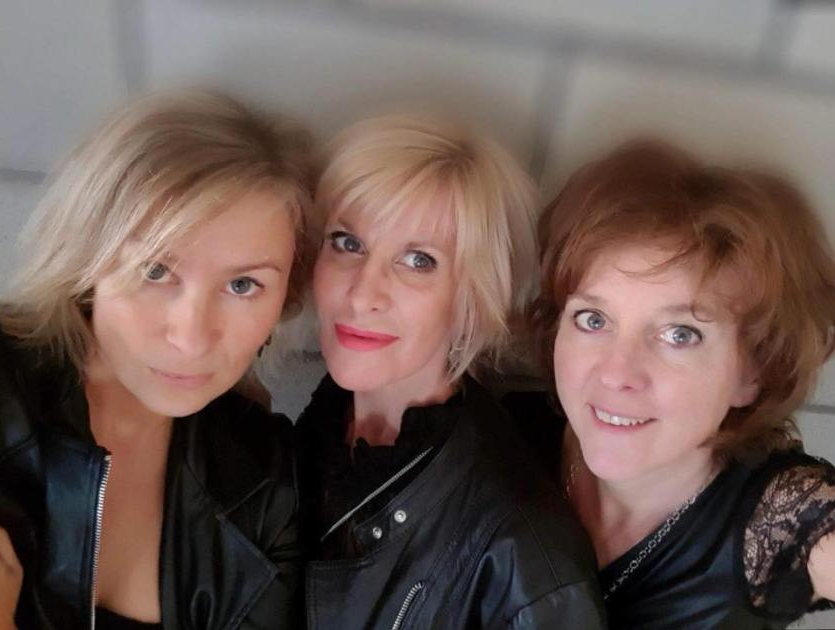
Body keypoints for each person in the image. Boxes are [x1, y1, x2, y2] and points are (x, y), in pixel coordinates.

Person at [0, 89, 315, 629]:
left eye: (243, 285)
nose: (191, 338)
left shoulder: (267, 482)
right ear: (87, 258)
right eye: (155, 271)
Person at [296, 115, 606, 629]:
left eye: (419, 261)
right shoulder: (322, 424)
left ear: (472, 298)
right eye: (348, 243)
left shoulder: (523, 552)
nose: (363, 293)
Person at [519, 139, 835, 629]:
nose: (617, 373)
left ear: (754, 373)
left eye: (679, 335)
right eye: (593, 319)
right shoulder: (507, 438)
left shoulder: (781, 516)